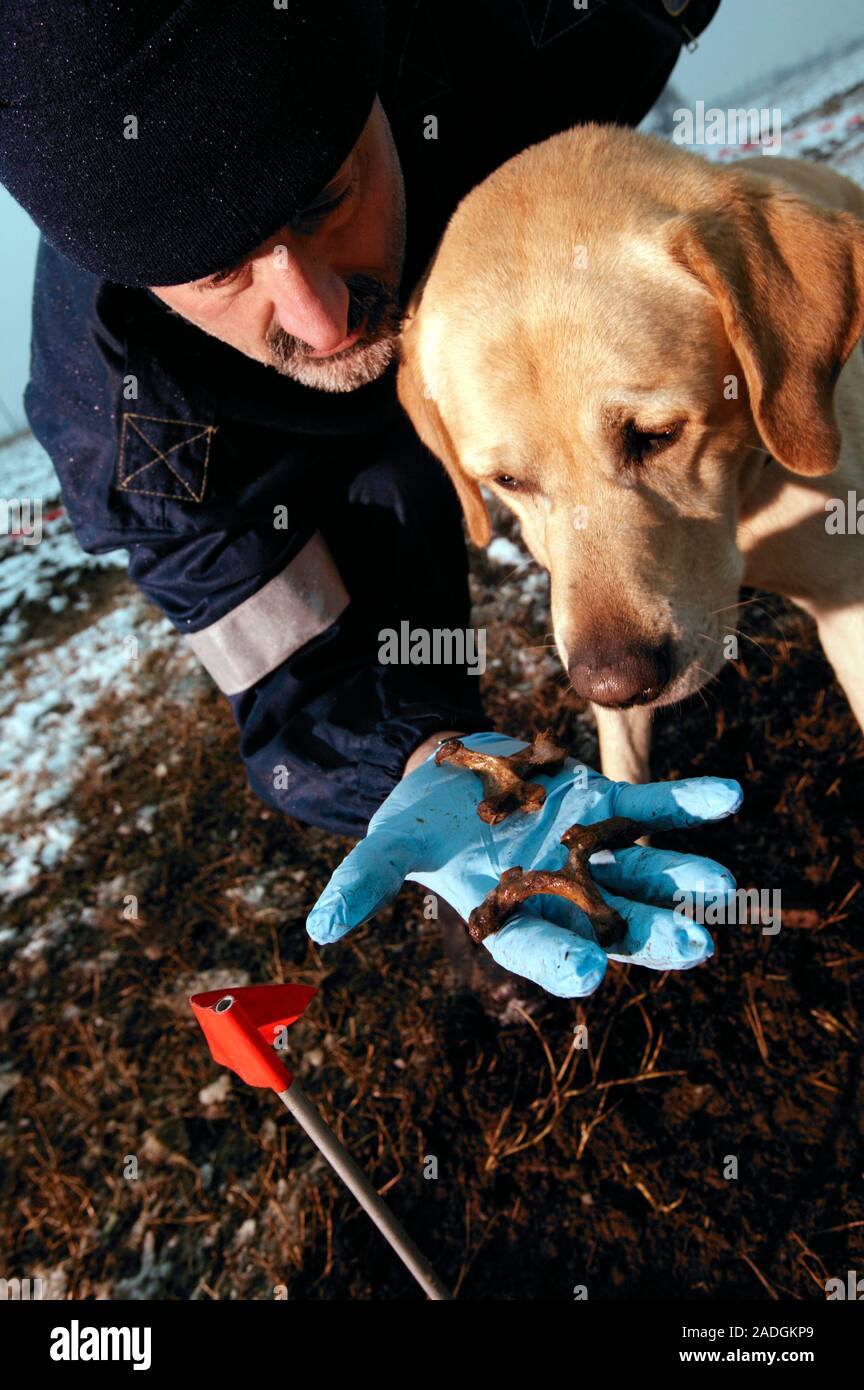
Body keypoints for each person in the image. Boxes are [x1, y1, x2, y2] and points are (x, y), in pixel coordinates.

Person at [1, 0, 739, 999]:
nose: (320, 313)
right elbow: (299, 673)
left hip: (508, 277)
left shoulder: (541, 25)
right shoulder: (125, 416)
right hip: (316, 465)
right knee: (409, 662)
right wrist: (423, 759)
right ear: (144, 285)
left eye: (327, 198)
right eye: (224, 272)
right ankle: (493, 936)